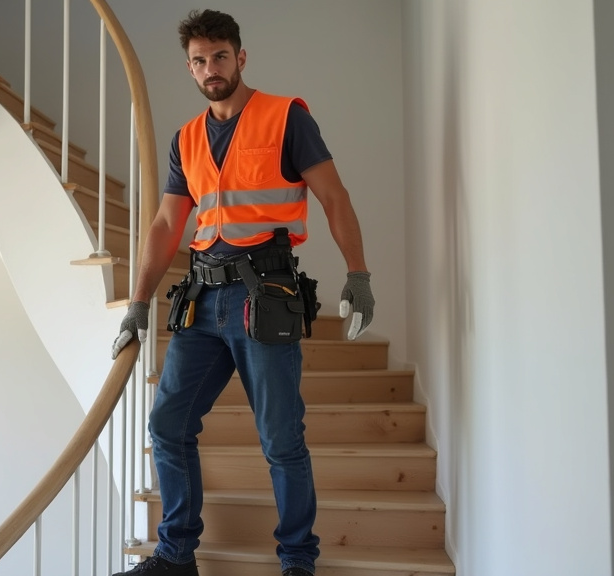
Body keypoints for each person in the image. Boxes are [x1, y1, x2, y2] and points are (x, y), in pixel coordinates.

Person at [109, 9, 375, 576]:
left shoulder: (286, 117)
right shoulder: (187, 138)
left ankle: (298, 560)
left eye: (221, 57)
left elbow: (334, 196)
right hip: (202, 300)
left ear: (241, 56)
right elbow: (164, 225)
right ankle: (177, 554)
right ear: (189, 67)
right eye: (200, 61)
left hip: (265, 295)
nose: (211, 69)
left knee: (280, 438)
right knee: (167, 425)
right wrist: (137, 302)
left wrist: (359, 274)